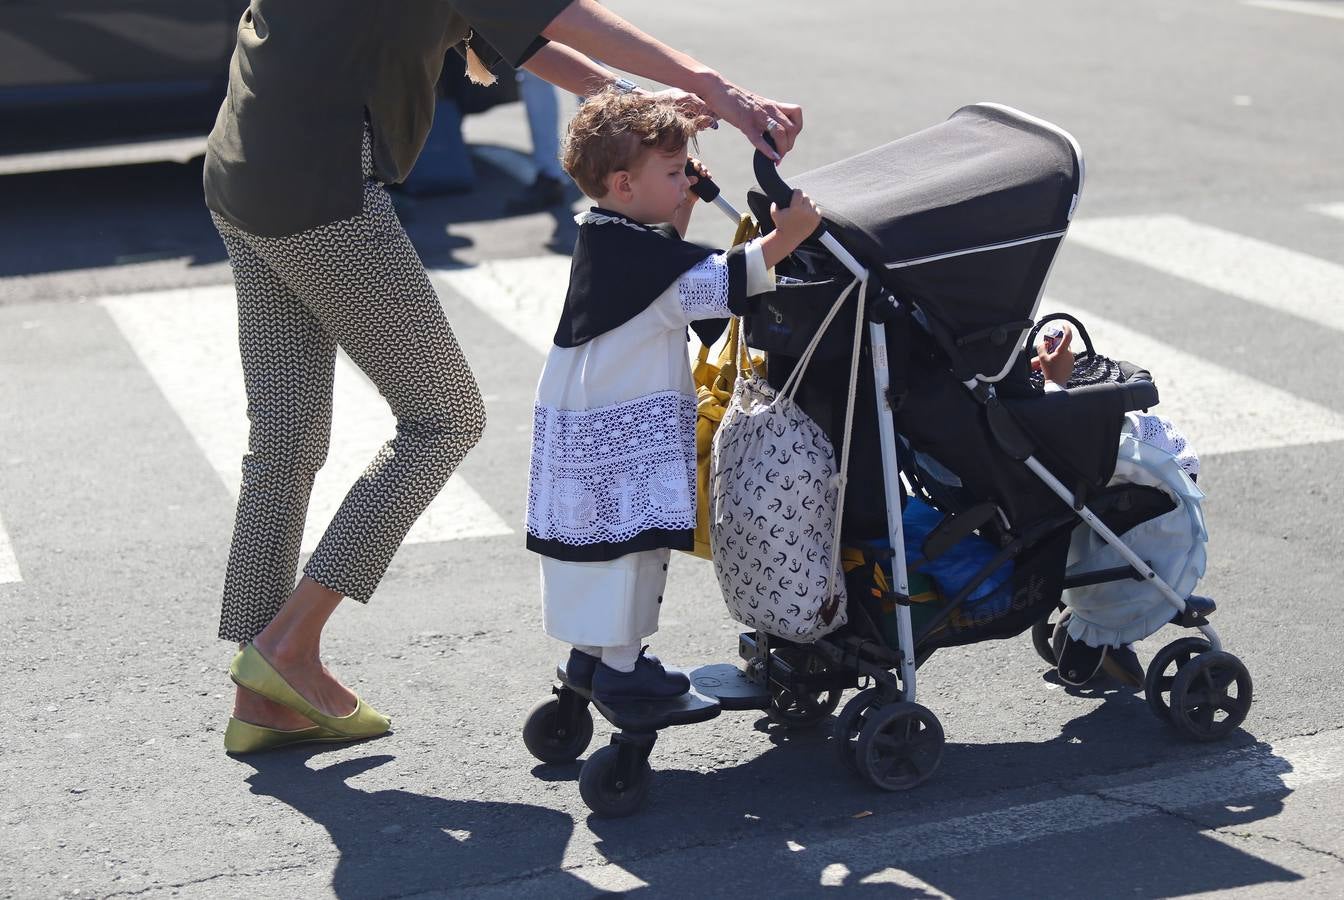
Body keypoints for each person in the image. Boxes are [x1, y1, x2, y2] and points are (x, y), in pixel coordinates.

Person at [205, 0, 806, 754]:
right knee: (443, 418)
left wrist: (616, 95)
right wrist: (717, 89)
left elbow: (510, 32)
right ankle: (286, 649)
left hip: (244, 162)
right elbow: (557, 13)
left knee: (286, 440)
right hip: (319, 185)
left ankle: (259, 693)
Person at [526, 89, 822, 701]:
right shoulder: (644, 261)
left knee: (597, 549)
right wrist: (786, 237)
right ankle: (623, 667)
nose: (684, 177)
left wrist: (678, 206)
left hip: (587, 418)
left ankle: (592, 656)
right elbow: (718, 283)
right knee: (633, 548)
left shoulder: (606, 234)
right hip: (624, 428)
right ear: (624, 185)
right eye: (670, 172)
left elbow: (666, 263)